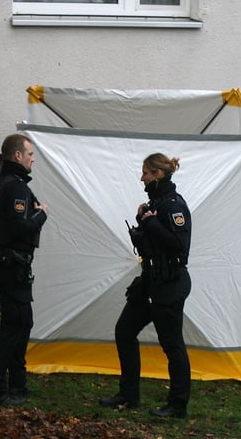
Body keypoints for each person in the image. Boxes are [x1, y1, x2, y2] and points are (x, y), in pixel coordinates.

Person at [99, 153, 192, 419]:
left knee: (172, 345)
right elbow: (151, 243)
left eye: (146, 173)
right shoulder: (156, 203)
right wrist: (143, 221)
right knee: (124, 330)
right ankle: (129, 395)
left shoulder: (174, 206)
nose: (142, 178)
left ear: (158, 174)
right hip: (150, 282)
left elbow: (178, 246)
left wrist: (151, 222)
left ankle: (177, 405)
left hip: (170, 284)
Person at [0, 133, 48, 406]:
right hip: (12, 264)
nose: (33, 159)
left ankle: (18, 382)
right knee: (13, 325)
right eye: (30, 154)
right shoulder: (17, 187)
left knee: (24, 321)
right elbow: (22, 226)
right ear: (17, 155)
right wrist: (42, 213)